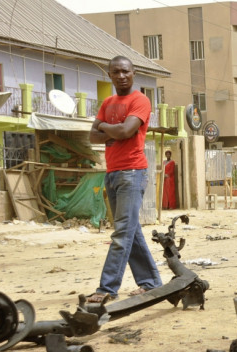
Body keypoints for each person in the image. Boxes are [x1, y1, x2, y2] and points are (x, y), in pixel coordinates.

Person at [87, 55, 162, 303]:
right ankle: (151, 282)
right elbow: (92, 137)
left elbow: (126, 131)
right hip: (112, 173)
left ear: (133, 73)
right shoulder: (108, 102)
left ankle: (107, 288)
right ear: (110, 75)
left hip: (132, 172)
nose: (121, 75)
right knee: (131, 231)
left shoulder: (140, 100)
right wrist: (113, 130)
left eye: (125, 71)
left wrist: (107, 128)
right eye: (116, 72)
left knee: (122, 233)